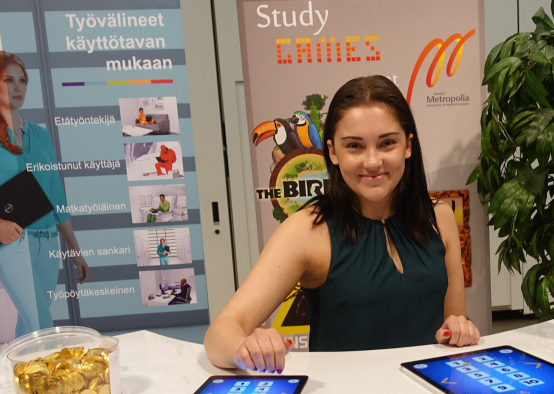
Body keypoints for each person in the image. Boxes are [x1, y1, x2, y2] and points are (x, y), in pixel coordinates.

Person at [204, 75, 480, 372]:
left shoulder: (439, 217)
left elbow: (453, 327)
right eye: (354, 146)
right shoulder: (306, 231)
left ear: (408, 146)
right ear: (333, 152)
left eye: (387, 143)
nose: (372, 162)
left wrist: (461, 330)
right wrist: (246, 348)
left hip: (430, 393)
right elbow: (220, 334)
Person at [0, 51, 88, 338]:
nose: (18, 87)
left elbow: (57, 200)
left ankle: (21, 367)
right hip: (11, 242)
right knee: (41, 325)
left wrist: (75, 252)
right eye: (8, 80)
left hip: (47, 242)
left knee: (29, 326)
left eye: (22, 81)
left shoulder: (41, 135)